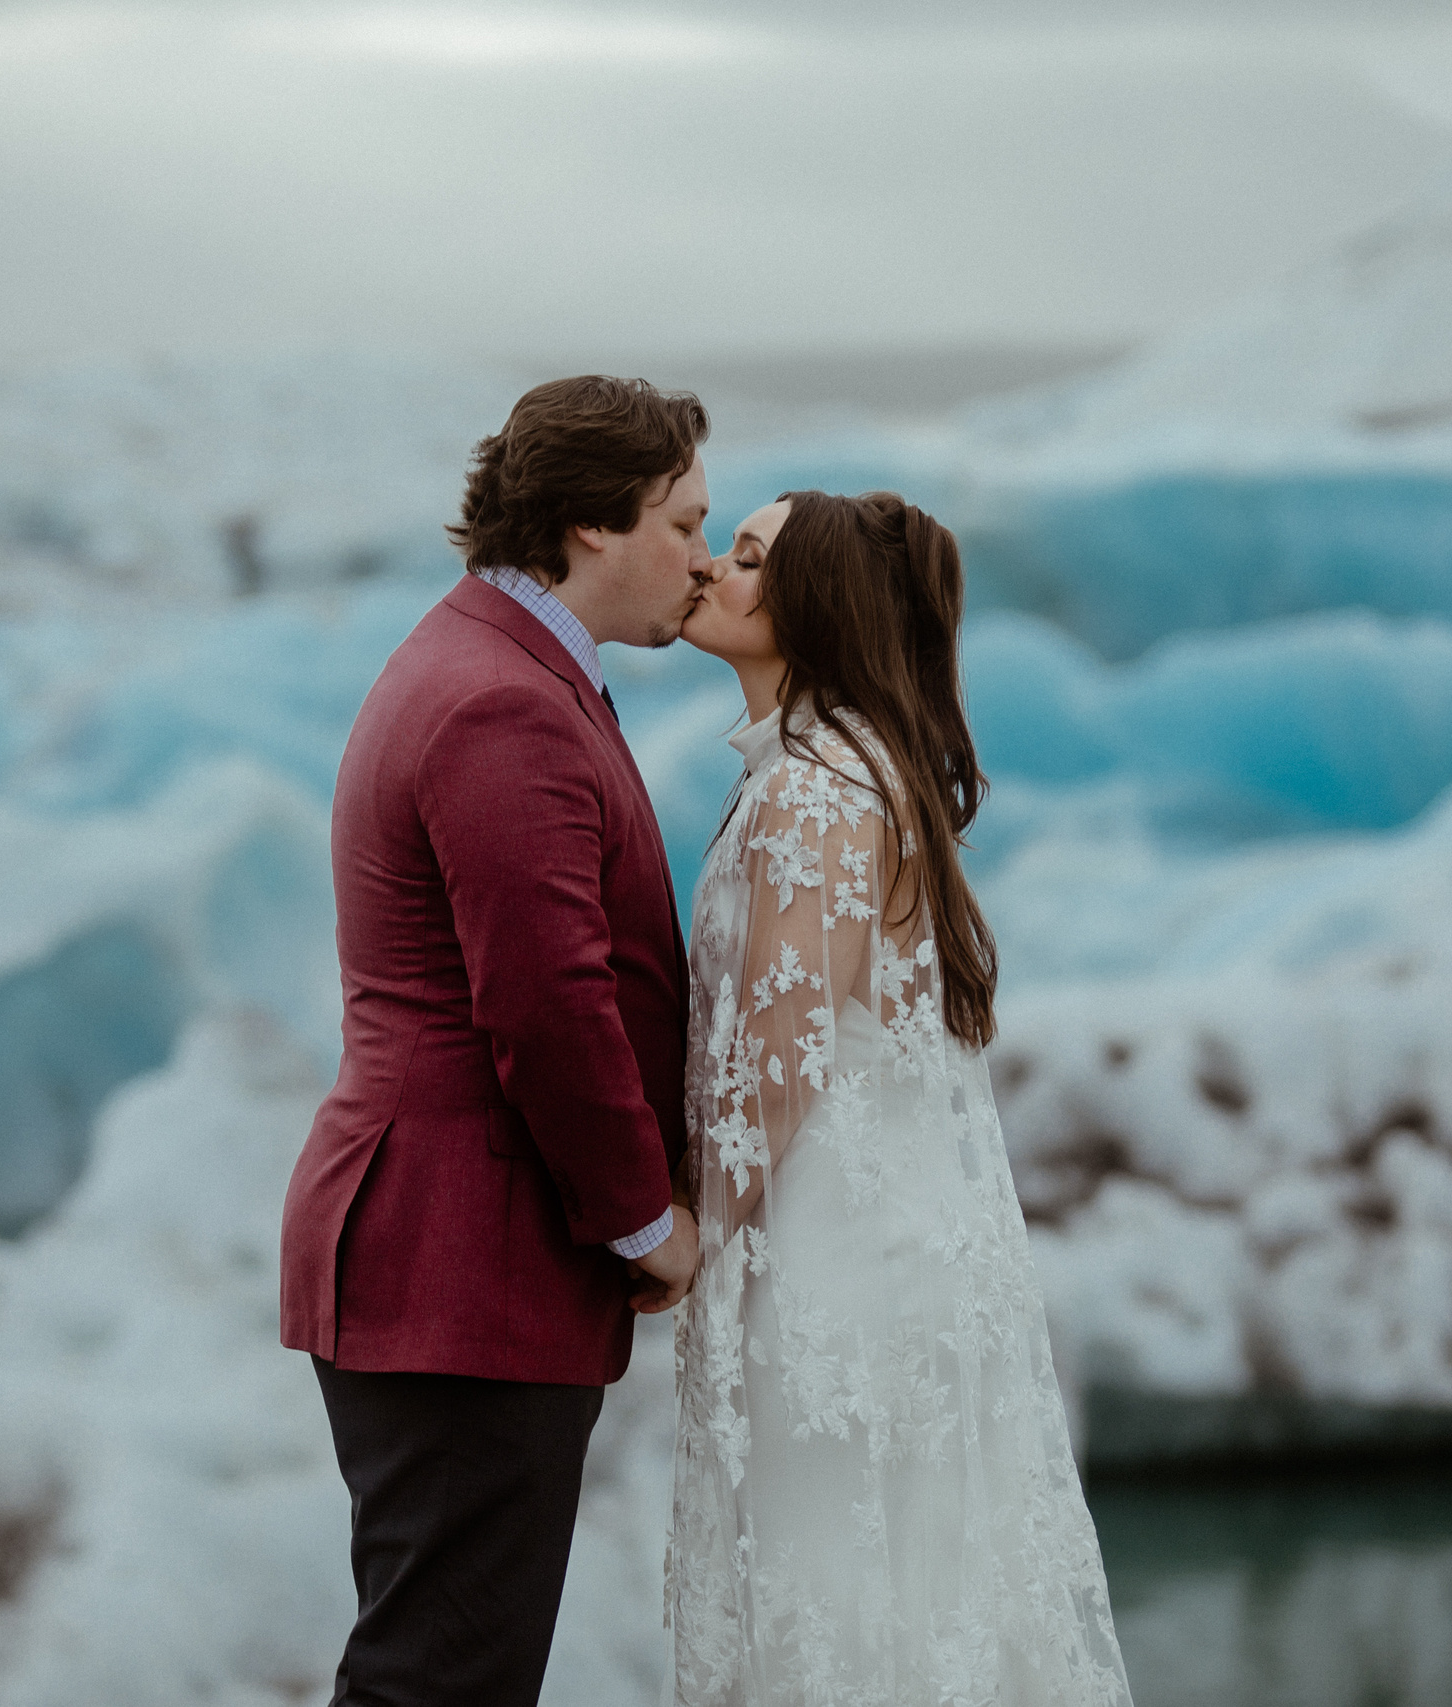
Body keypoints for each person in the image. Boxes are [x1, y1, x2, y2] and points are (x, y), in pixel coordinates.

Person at [280, 375, 709, 1707]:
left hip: (449, 1263)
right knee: (438, 1682)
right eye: (685, 524)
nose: (702, 558)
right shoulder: (501, 701)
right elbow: (546, 1002)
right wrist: (644, 1220)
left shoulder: (490, 663)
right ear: (591, 526)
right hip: (459, 1264)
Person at [669, 490, 1132, 1705]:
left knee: (843, 1610)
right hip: (852, 1247)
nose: (713, 570)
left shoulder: (816, 789)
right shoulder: (841, 769)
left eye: (749, 558)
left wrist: (691, 1236)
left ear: (811, 605)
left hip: (832, 1268)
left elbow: (783, 1050)